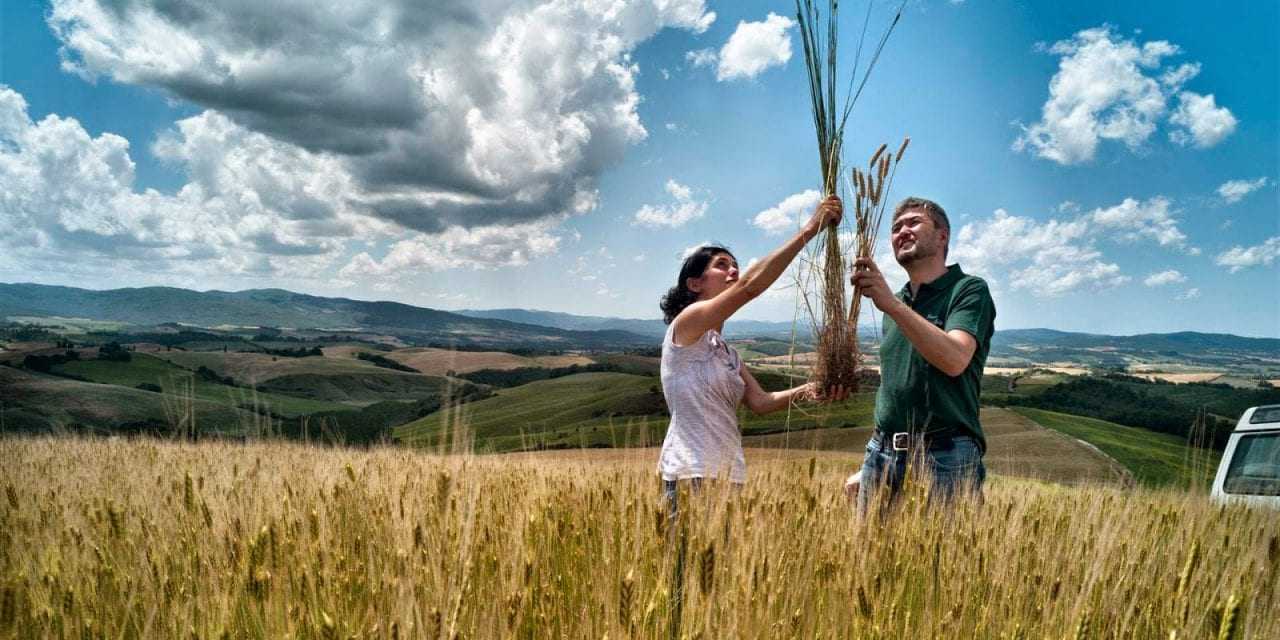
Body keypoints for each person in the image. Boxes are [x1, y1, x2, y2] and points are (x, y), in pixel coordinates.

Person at [657, 195, 847, 508]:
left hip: (730, 475)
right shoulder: (686, 327)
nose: (734, 271)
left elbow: (761, 402)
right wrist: (811, 228)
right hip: (691, 473)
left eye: (736, 266)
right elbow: (750, 287)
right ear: (694, 284)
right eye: (722, 266)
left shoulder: (727, 352)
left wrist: (815, 388)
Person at [847, 196, 996, 511]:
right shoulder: (895, 302)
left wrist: (892, 305)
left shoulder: (968, 290)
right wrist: (875, 461)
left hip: (946, 455)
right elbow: (899, 382)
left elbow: (955, 359)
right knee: (868, 558)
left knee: (943, 559)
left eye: (913, 222)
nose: (902, 231)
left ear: (943, 236)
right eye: (896, 227)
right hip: (883, 454)